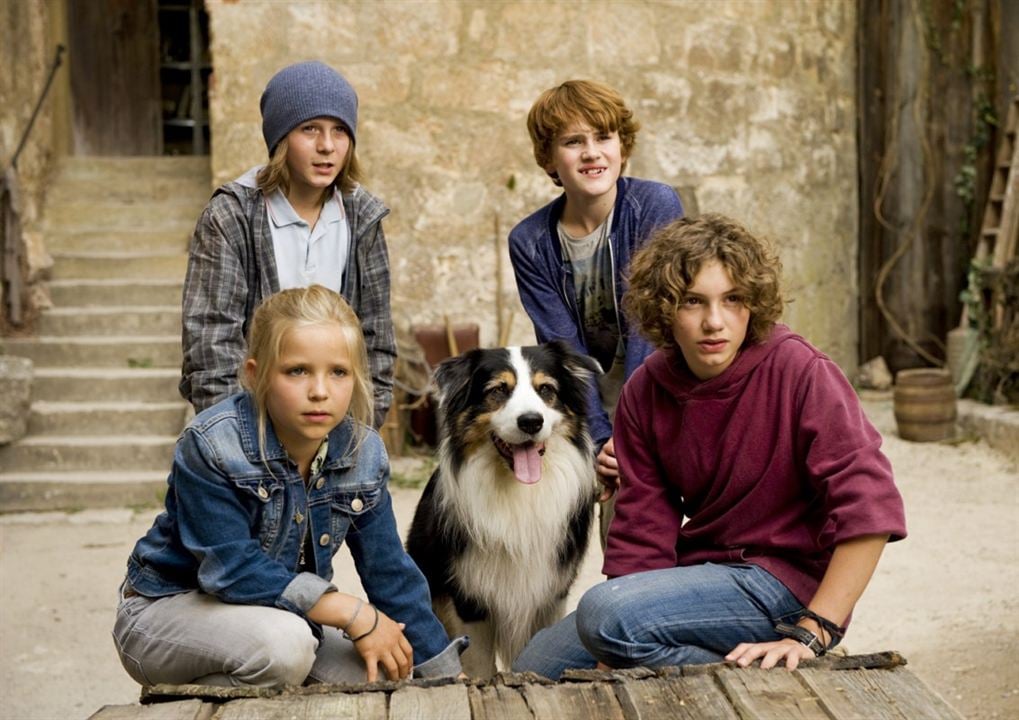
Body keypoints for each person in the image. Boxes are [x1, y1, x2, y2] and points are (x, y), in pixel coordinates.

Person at [513, 214, 907, 677]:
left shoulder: (801, 371)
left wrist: (813, 628)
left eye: (732, 299)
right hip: (701, 579)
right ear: (664, 310)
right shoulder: (646, 390)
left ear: (754, 304)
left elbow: (870, 510)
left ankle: (785, 674)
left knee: (604, 614)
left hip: (789, 587)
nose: (714, 322)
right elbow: (643, 533)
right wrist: (618, 643)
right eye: (693, 302)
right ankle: (727, 666)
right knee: (537, 664)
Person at [114, 285, 465, 687]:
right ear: (255, 374)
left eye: (338, 372)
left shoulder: (362, 452)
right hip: (167, 613)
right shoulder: (213, 444)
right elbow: (231, 569)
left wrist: (445, 676)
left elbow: (390, 572)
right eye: (297, 371)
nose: (320, 391)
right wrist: (356, 615)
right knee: (286, 650)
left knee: (389, 672)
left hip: (277, 615)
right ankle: (186, 705)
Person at [508, 80, 684, 530]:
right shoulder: (530, 242)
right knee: (616, 511)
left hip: (667, 391)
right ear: (549, 159)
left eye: (603, 137)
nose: (592, 153)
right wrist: (602, 439)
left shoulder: (652, 206)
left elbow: (652, 327)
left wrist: (630, 432)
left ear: (622, 146)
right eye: (573, 142)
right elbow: (562, 347)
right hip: (596, 407)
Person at [181, 61, 396, 429]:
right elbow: (211, 342)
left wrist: (357, 436)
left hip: (335, 425)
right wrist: (239, 443)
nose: (327, 146)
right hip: (251, 426)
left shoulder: (361, 217)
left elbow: (376, 340)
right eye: (309, 129)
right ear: (281, 138)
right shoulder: (232, 217)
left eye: (340, 131)